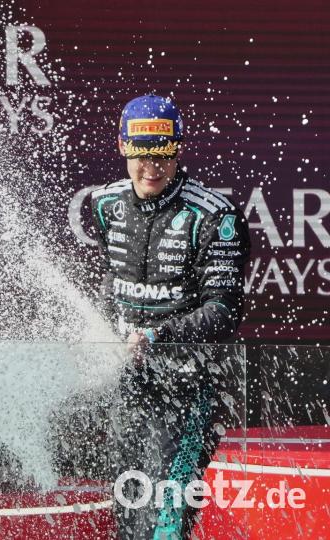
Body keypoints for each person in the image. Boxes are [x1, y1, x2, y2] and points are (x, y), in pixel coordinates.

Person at [89, 94, 251, 539]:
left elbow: (224, 309)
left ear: (178, 151)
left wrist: (156, 335)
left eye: (163, 156)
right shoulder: (107, 206)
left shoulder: (214, 215)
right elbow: (112, 280)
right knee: (128, 521)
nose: (151, 168)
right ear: (123, 148)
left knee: (166, 521)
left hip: (190, 391)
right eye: (142, 156)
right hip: (129, 387)